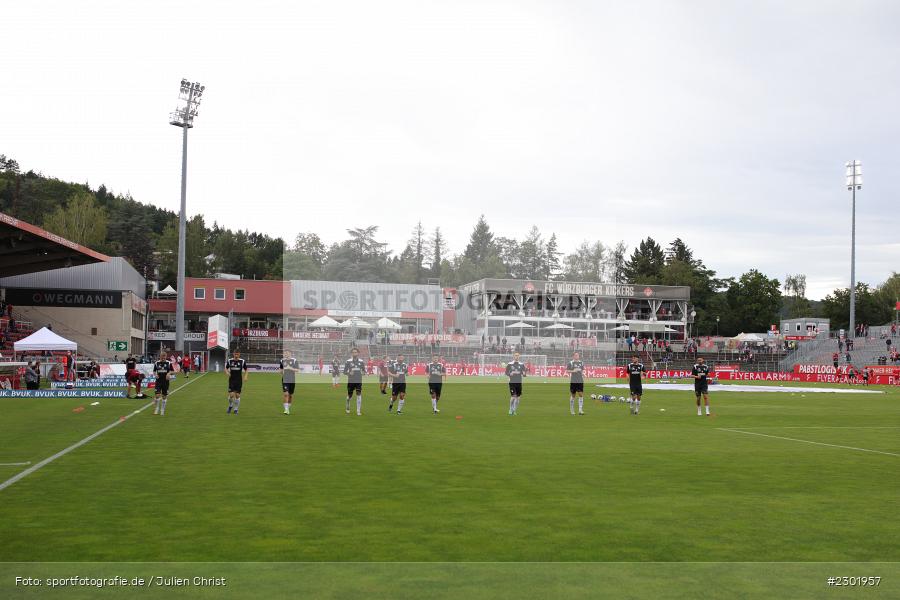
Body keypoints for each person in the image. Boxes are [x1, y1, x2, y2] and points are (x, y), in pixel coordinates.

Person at [343, 347, 366, 415]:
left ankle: (358, 411)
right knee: (349, 396)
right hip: (351, 381)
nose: (354, 353)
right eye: (353, 352)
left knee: (358, 394)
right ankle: (347, 406)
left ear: (358, 353)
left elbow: (364, 371)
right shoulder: (348, 361)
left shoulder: (361, 362)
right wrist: (349, 373)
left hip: (358, 381)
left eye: (355, 352)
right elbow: (344, 372)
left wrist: (363, 373)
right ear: (351, 353)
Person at [279, 349, 299, 415]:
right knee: (286, 394)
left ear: (290, 354)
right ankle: (286, 409)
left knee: (290, 395)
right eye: (285, 353)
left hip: (292, 380)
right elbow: (280, 370)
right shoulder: (282, 360)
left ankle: (288, 408)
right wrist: (281, 371)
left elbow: (297, 370)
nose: (286, 354)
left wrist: (290, 368)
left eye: (287, 353)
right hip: (285, 379)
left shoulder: (294, 360)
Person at [566, 351, 585, 415]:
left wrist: (583, 374)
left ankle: (580, 410)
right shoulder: (570, 363)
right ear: (573, 356)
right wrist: (573, 371)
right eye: (576, 355)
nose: (577, 356)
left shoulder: (581, 363)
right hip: (573, 381)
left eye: (578, 355)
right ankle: (572, 410)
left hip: (580, 380)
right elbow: (567, 371)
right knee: (573, 395)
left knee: (580, 394)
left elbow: (582, 370)